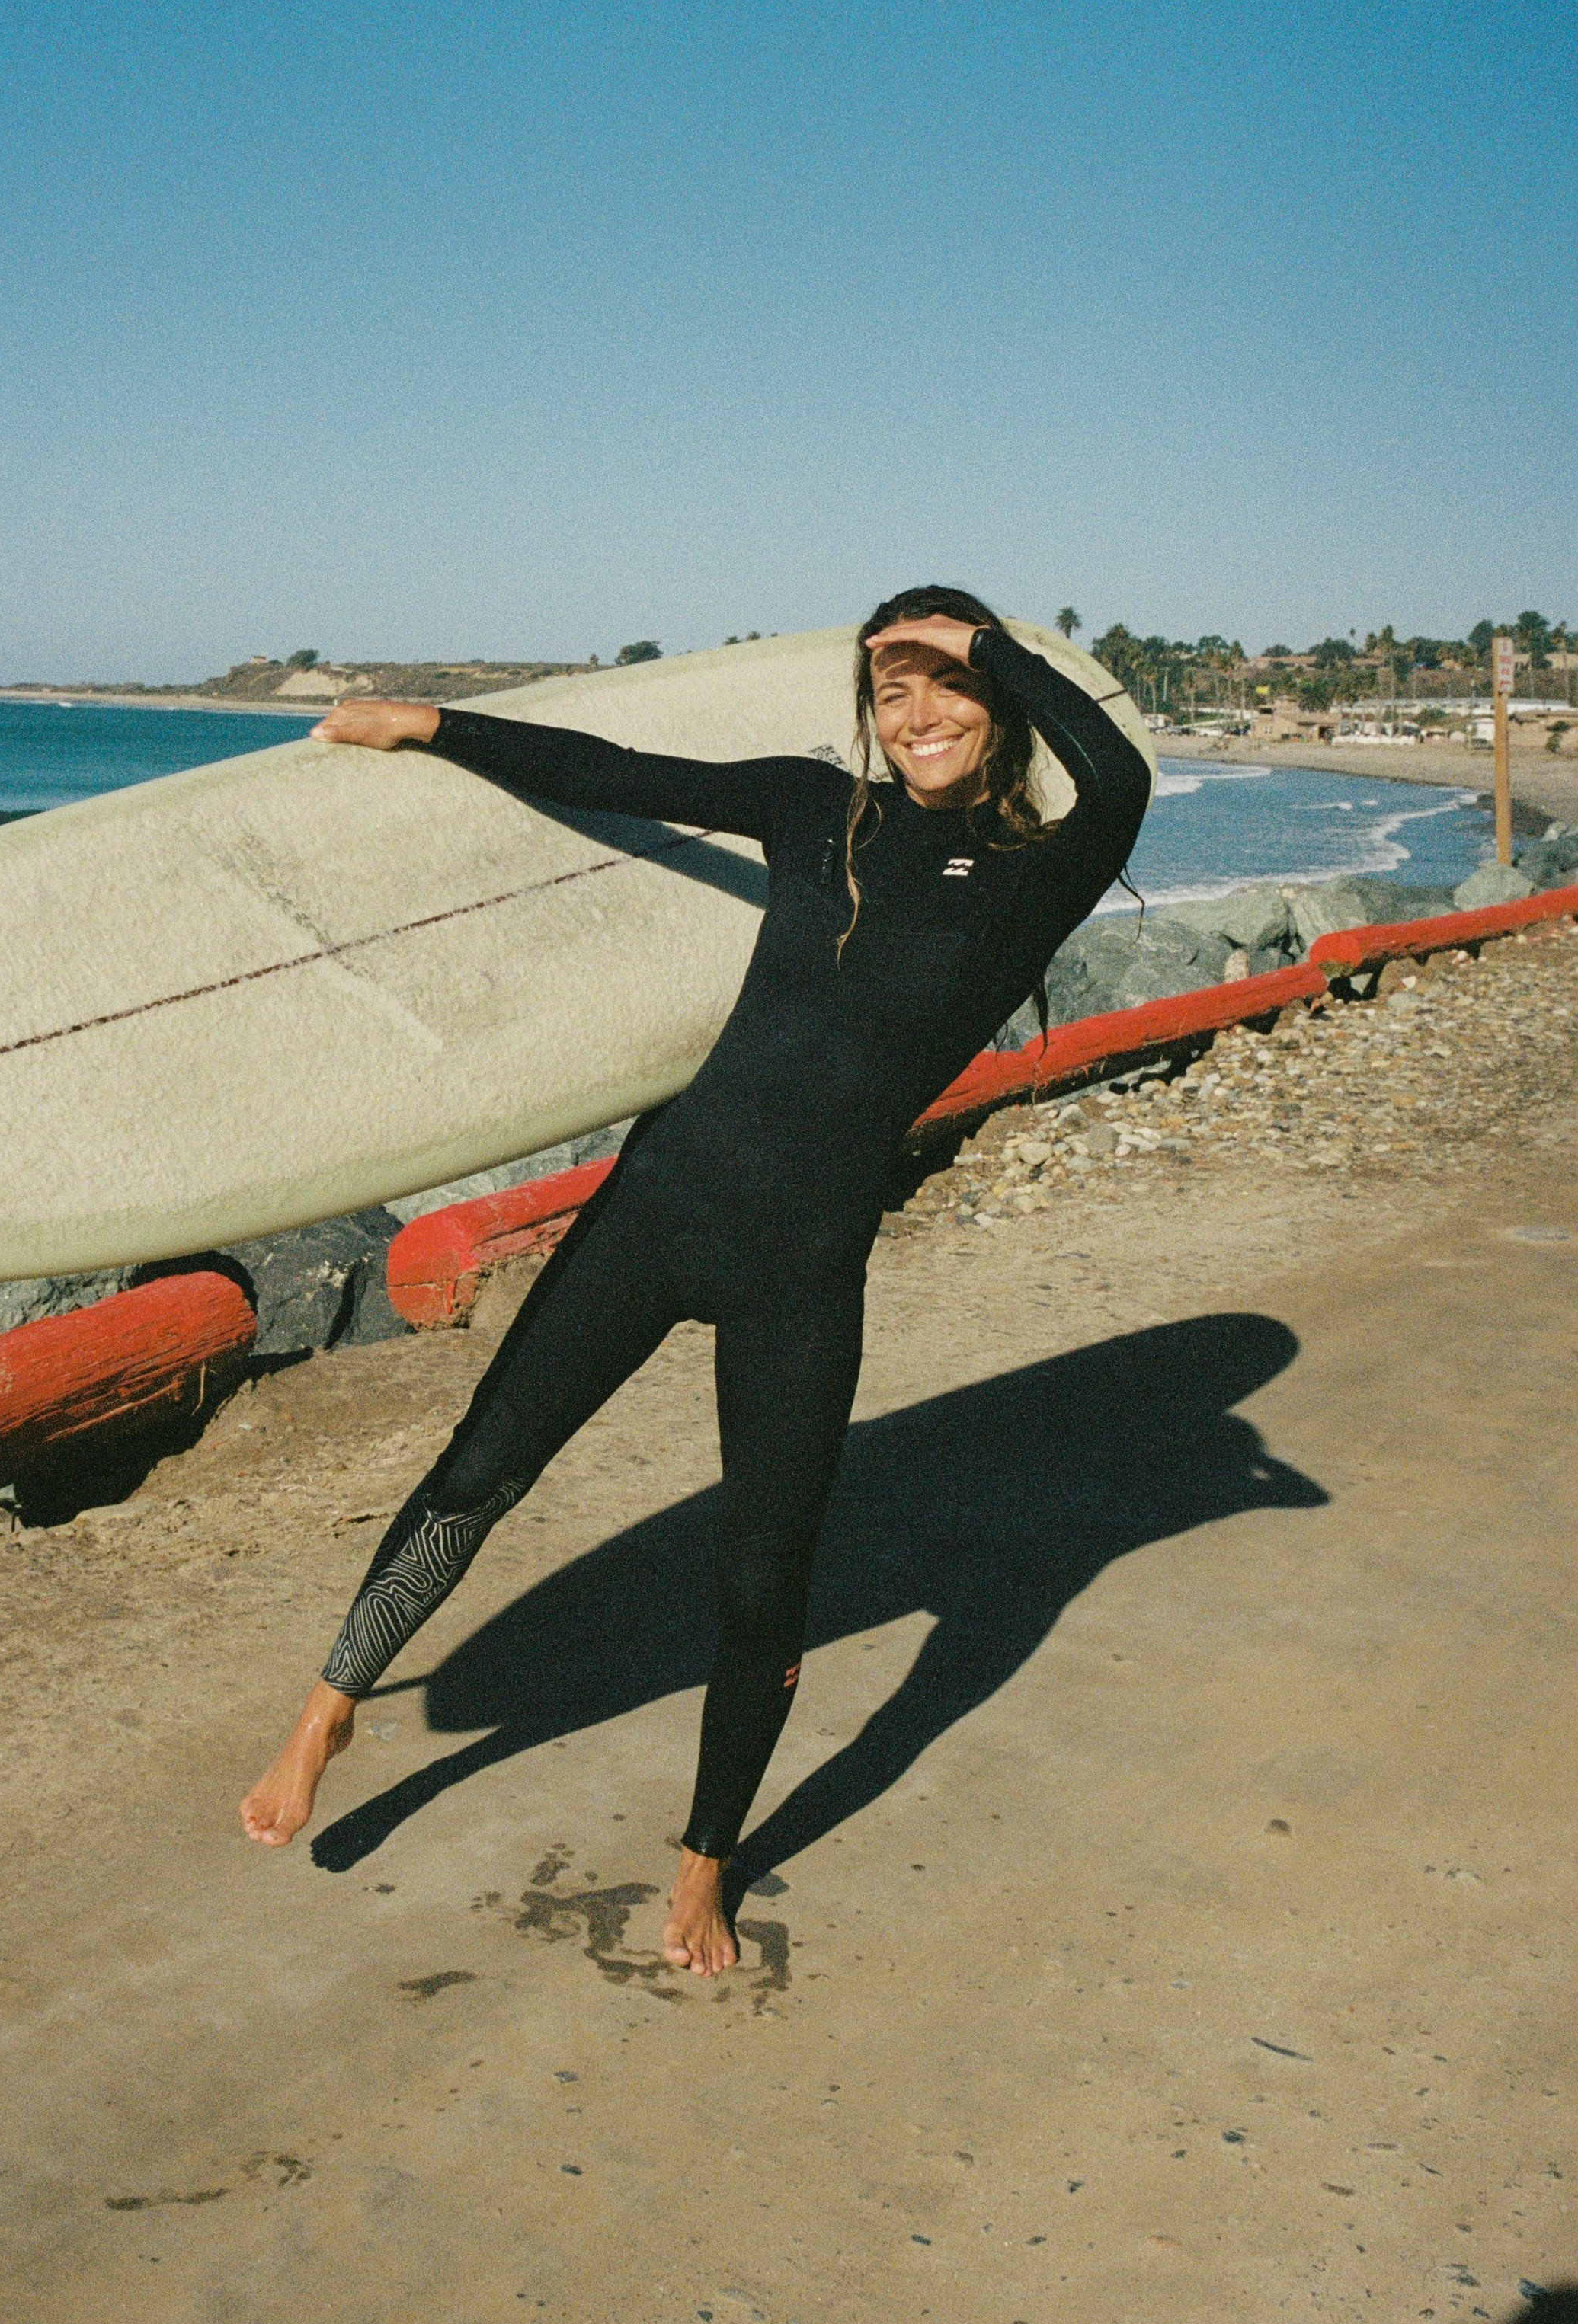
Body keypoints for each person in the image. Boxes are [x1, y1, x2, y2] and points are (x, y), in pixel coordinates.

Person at [239, 589, 1151, 1972]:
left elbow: (1123, 770)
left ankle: (704, 1859)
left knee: (762, 1579)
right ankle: (328, 1703)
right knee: (479, 1470)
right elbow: (613, 779)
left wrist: (977, 643)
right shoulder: (812, 811)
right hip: (663, 1204)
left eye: (945, 684)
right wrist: (428, 724)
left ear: (997, 696)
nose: (918, 715)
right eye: (891, 690)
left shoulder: (1036, 871)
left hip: (803, 1259)